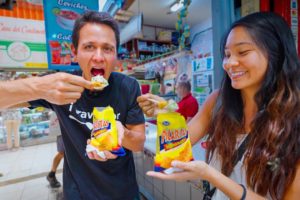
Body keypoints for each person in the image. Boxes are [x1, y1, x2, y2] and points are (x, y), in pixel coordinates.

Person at [137, 12, 300, 200]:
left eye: (243, 52)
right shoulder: (218, 101)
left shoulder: (293, 120)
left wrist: (209, 174)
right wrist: (166, 114)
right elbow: (176, 146)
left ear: (276, 53)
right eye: (227, 54)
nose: (229, 63)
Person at [9, 11, 145, 199]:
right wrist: (38, 86)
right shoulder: (62, 84)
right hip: (77, 193)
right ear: (75, 52)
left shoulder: (128, 87)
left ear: (115, 54)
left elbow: (138, 143)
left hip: (122, 192)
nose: (99, 57)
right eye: (89, 47)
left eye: (107, 49)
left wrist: (122, 133)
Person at [47, 112, 64, 188]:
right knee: (62, 153)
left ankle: (52, 174)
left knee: (64, 153)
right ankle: (51, 174)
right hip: (62, 129)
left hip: (70, 127)